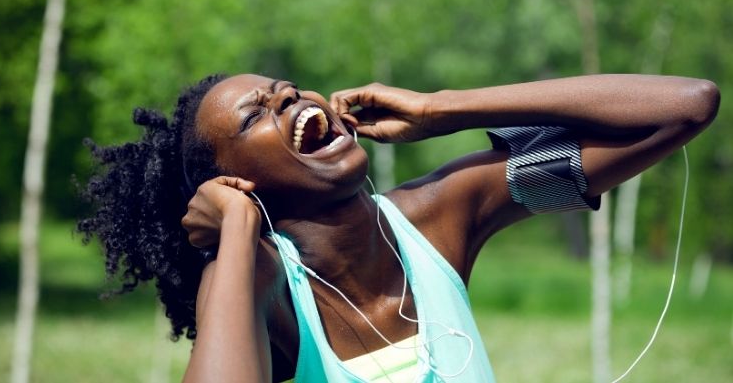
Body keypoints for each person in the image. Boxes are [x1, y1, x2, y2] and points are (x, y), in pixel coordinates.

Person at [79, 73, 719, 383]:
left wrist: (442, 109)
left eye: (289, 91)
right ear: (230, 182)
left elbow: (683, 108)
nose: (291, 102)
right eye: (256, 117)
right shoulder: (261, 280)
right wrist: (237, 231)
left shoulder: (441, 216)